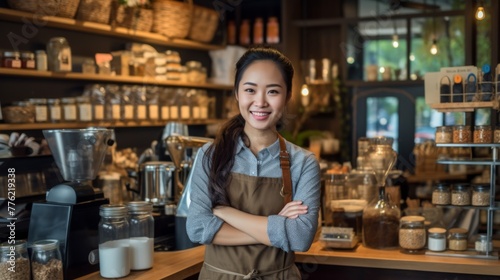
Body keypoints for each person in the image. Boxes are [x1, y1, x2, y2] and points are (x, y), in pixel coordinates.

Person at [186, 47, 321, 279]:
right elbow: (198, 228)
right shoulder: (210, 155)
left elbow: (300, 238)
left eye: (273, 92)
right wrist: (278, 227)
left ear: (288, 96)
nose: (260, 102)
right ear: (237, 93)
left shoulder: (304, 163)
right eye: (250, 89)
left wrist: (223, 211)